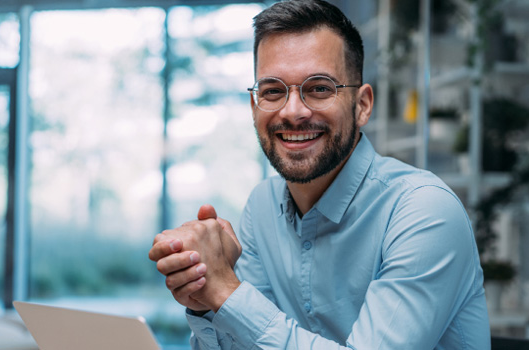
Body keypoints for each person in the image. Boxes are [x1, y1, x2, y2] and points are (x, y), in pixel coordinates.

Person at [148, 0, 490, 348]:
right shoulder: (263, 206)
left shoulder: (424, 211)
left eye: (319, 88)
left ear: (362, 105)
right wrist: (206, 299)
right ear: (255, 108)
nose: (293, 111)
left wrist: (227, 294)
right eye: (272, 91)